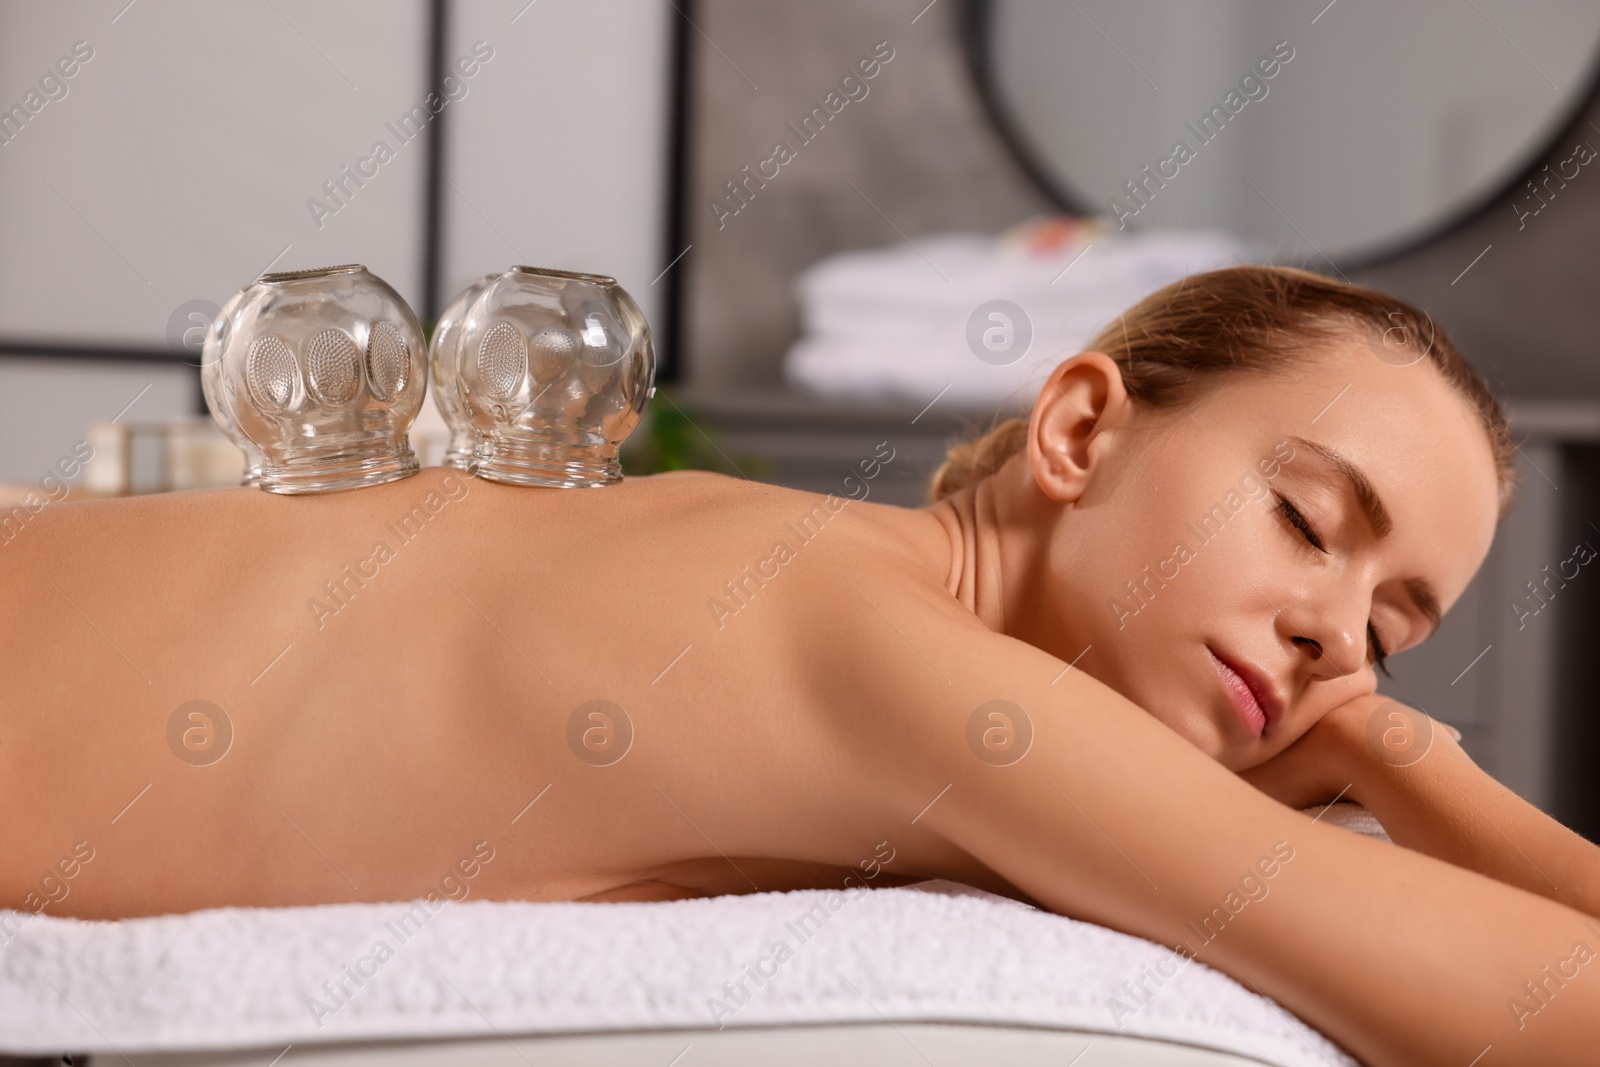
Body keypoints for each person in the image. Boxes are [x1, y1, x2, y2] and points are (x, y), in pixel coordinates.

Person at [3, 265, 1597, 1065]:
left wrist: (1385, 747)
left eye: (1391, 633)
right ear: (1082, 429)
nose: (1337, 638)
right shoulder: (905, 667)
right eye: (1311, 519)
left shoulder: (805, 564)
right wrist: (1410, 766)